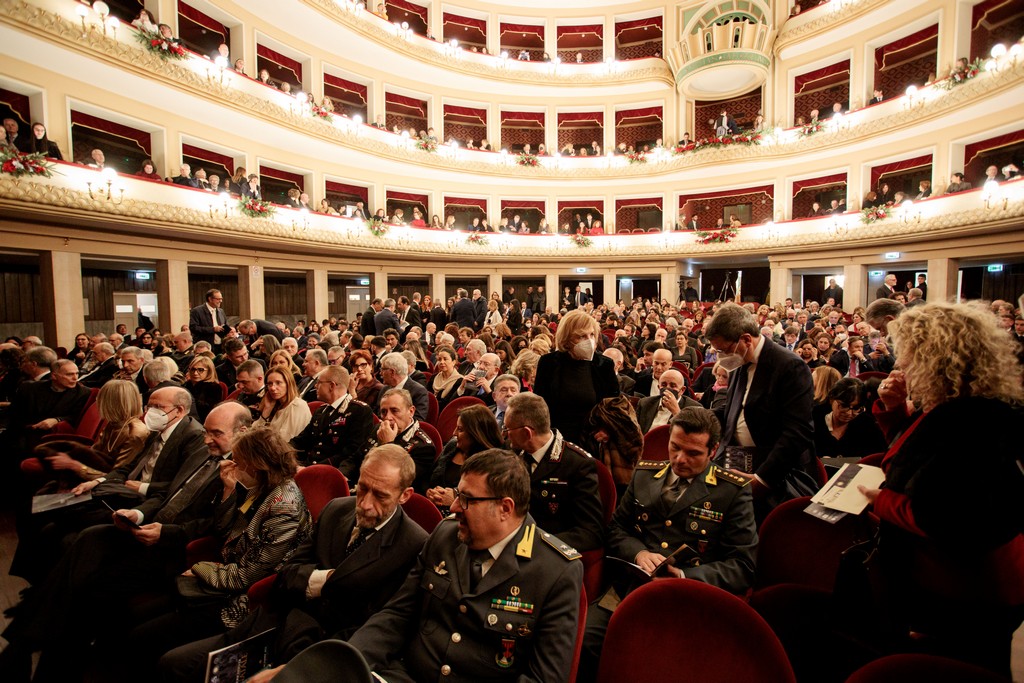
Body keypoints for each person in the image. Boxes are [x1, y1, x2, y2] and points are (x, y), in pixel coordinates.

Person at [850, 302, 1024, 677]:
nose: (902, 364)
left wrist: (882, 501)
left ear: (937, 361)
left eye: (910, 355)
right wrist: (896, 412)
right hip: (963, 581)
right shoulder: (957, 406)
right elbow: (919, 465)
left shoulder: (971, 423)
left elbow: (950, 517)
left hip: (964, 588)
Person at [158, 444, 428, 680]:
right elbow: (287, 575)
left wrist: (307, 665)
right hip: (275, 625)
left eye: (380, 496)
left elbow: (378, 627)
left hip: (324, 650)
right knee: (173, 664)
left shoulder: (414, 545)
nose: (366, 504)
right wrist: (326, 581)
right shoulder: (337, 509)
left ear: (405, 495)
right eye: (363, 488)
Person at [344, 449, 584, 683]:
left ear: (505, 508)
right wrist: (350, 662)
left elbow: (544, 677)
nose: (454, 507)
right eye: (457, 494)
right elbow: (398, 614)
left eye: (466, 499)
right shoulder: (446, 535)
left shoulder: (555, 571)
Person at [580, 407, 757, 681]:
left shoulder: (732, 491)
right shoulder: (644, 474)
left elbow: (742, 566)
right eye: (674, 447)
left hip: (689, 601)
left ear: (713, 451)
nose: (680, 459)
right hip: (629, 589)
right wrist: (638, 553)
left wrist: (684, 576)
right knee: (583, 643)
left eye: (693, 453)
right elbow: (616, 529)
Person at [127, 427, 313, 672]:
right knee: (136, 614)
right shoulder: (262, 486)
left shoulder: (283, 506)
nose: (232, 465)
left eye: (238, 461)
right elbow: (224, 531)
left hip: (242, 601)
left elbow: (245, 577)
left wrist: (200, 568)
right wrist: (228, 490)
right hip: (223, 578)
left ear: (255, 465)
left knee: (142, 637)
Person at [706, 303, 817, 521]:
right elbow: (737, 408)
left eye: (724, 350)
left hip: (776, 471)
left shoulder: (789, 366)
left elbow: (798, 432)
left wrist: (762, 479)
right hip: (737, 458)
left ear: (746, 340)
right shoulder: (739, 361)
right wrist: (701, 417)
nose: (721, 357)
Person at [503, 392, 605, 552]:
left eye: (508, 429)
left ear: (527, 433)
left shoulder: (577, 464)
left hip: (548, 554)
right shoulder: (513, 455)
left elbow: (590, 532)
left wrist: (536, 544)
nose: (505, 434)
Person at [533, 310, 618, 444]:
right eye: (581, 336)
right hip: (555, 438)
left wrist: (605, 429)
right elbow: (539, 404)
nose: (589, 341)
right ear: (567, 339)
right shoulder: (548, 363)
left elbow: (613, 405)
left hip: (593, 439)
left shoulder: (604, 365)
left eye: (592, 335)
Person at [290, 365, 374, 482]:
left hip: (331, 476)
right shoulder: (320, 411)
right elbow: (302, 440)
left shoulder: (359, 411)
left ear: (331, 386)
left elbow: (351, 453)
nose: (315, 386)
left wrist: (311, 470)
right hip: (306, 468)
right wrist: (279, 451)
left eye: (319, 382)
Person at [426, 404, 503, 511]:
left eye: (460, 430)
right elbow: (427, 478)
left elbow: (489, 502)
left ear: (476, 434)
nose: (454, 433)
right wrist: (430, 493)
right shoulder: (452, 446)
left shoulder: (493, 463)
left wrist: (458, 499)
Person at [370, 388, 435, 492]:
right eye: (383, 412)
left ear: (411, 411)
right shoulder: (379, 428)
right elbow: (356, 458)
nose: (388, 417)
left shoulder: (424, 447)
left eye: (394, 411)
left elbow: (398, 481)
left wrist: (387, 444)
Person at [812, 377, 887, 460]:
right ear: (832, 399)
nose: (849, 413)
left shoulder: (868, 425)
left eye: (856, 408)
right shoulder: (813, 418)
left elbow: (877, 458)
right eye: (844, 406)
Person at [253, 367, 310, 442]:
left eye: (278, 383)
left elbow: (285, 441)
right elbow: (252, 435)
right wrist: (267, 409)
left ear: (288, 384)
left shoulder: (297, 406)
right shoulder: (275, 405)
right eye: (270, 383)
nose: (272, 388)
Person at [182, 355, 222, 421]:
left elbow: (208, 411)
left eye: (200, 370)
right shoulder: (186, 385)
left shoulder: (214, 388)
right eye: (193, 369)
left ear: (209, 371)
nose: (195, 373)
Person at [429, 344, 463, 411]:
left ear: (453, 362)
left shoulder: (459, 380)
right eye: (439, 359)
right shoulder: (434, 377)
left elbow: (449, 403)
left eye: (445, 359)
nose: (442, 362)